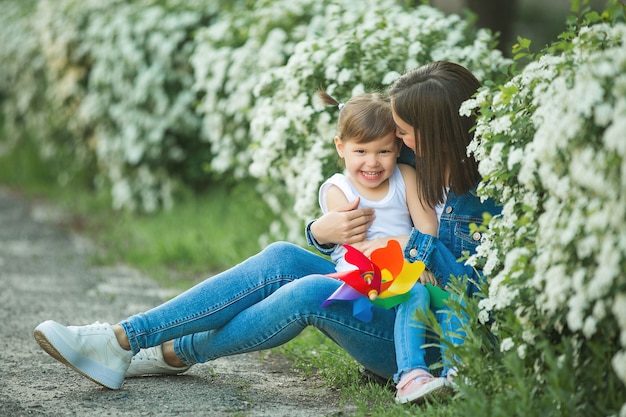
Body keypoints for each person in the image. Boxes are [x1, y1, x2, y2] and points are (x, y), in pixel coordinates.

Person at [33, 61, 500, 406]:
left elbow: (463, 289)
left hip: (424, 336)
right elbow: (361, 206)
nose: (397, 142)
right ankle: (123, 338)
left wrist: (409, 255)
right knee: (282, 256)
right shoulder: (412, 160)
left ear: (438, 133)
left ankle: (174, 350)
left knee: (311, 292)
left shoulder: (485, 197)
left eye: (404, 133)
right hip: (380, 285)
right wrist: (323, 231)